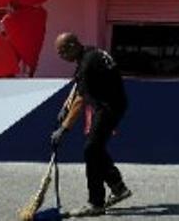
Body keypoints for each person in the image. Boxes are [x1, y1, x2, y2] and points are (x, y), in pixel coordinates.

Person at [51, 32, 132, 217]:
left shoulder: (88, 63)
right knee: (95, 148)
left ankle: (95, 203)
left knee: (91, 149)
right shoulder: (90, 53)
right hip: (111, 103)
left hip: (109, 106)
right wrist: (65, 105)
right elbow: (78, 87)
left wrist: (63, 129)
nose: (61, 57)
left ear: (72, 46)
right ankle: (118, 187)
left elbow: (80, 100)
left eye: (62, 52)